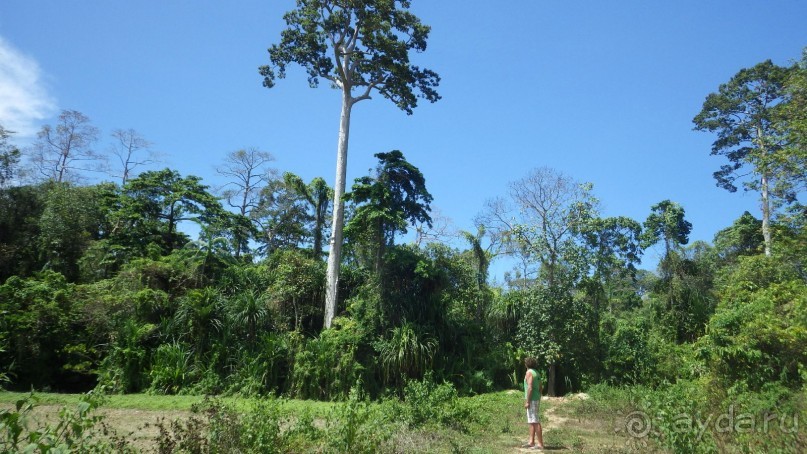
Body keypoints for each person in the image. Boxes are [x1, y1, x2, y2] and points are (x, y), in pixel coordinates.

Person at [522, 357, 544, 450]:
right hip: (536, 398)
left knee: (535, 420)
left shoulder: (529, 372)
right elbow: (540, 388)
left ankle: (540, 444)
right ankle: (531, 441)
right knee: (531, 420)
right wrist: (538, 397)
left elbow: (530, 387)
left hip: (532, 399)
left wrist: (528, 401)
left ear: (526, 364)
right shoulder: (537, 373)